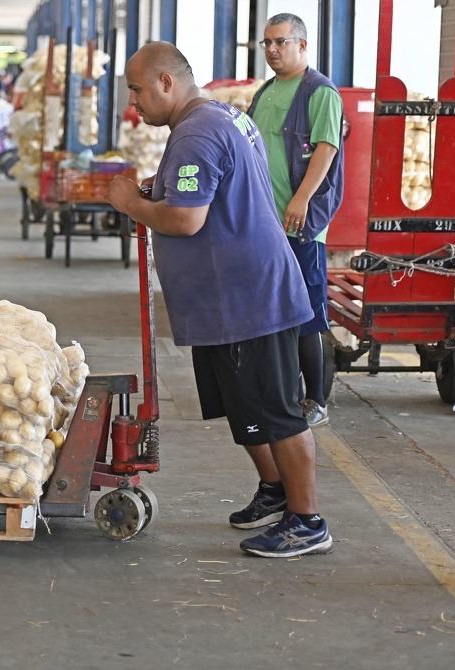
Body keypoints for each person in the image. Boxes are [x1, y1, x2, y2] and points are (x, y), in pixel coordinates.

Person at [106, 42, 333, 558]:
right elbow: (219, 185)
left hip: (248, 299)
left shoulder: (196, 132)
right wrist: (159, 187)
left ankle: (307, 521)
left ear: (166, 82)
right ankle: (275, 489)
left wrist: (131, 203)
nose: (133, 103)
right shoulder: (221, 117)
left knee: (277, 412)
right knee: (242, 406)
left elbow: (186, 219)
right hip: (227, 301)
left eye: (137, 90)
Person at [248, 13, 345, 429]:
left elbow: (326, 148)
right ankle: (281, 390)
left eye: (281, 42)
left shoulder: (320, 92)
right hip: (265, 223)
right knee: (274, 310)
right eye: (267, 43)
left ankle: (316, 399)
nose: (272, 50)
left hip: (300, 222)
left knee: (306, 313)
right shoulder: (266, 91)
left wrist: (302, 199)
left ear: (302, 45)